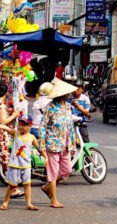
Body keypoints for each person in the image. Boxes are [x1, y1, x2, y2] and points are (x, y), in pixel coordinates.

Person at [40, 79, 78, 208]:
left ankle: (47, 187)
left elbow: (70, 126)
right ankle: (53, 199)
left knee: (66, 171)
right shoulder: (50, 107)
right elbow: (42, 126)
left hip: (66, 144)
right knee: (53, 171)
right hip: (52, 143)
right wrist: (42, 145)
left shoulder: (67, 106)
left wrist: (73, 143)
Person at [0, 116, 44, 211]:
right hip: (15, 165)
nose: (20, 127)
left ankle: (29, 204)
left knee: (27, 185)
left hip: (26, 166)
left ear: (30, 126)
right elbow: (6, 128)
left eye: (23, 125)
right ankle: (5, 202)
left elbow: (39, 149)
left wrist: (46, 157)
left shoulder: (32, 137)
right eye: (19, 125)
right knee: (11, 185)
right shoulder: (16, 134)